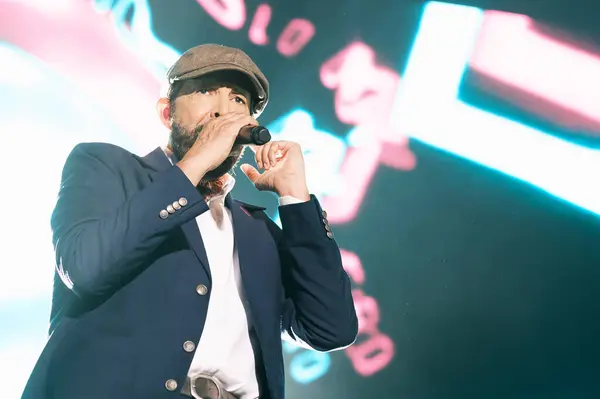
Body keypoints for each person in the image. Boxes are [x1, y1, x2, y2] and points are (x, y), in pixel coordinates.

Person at [21, 43, 358, 399]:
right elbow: (84, 266)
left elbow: (330, 328)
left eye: (238, 100)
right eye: (206, 92)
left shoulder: (256, 230)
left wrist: (295, 200)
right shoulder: (107, 167)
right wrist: (193, 165)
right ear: (167, 114)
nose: (223, 111)